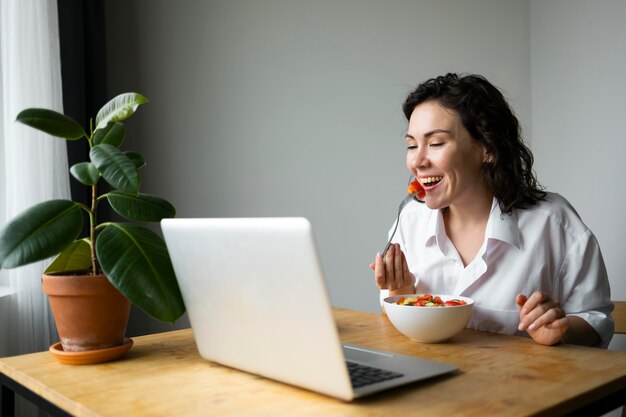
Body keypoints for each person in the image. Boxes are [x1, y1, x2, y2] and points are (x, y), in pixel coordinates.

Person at [372, 73, 614, 348]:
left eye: (436, 143)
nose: (417, 160)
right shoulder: (409, 220)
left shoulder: (554, 222)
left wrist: (562, 329)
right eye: (411, 145)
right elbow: (391, 321)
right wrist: (402, 295)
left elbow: (596, 321)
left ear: (487, 147)